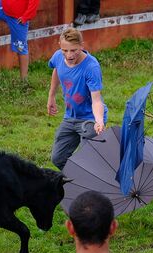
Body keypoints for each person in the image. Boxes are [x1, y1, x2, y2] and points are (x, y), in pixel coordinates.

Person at [48, 27, 107, 170]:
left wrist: (99, 121)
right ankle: (77, 181)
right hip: (70, 117)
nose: (69, 55)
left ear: (82, 46)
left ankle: (96, 182)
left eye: (74, 50)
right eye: (65, 50)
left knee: (88, 160)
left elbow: (97, 100)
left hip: (89, 118)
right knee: (58, 158)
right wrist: (51, 96)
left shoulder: (91, 67)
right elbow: (56, 69)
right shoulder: (58, 57)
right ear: (60, 47)